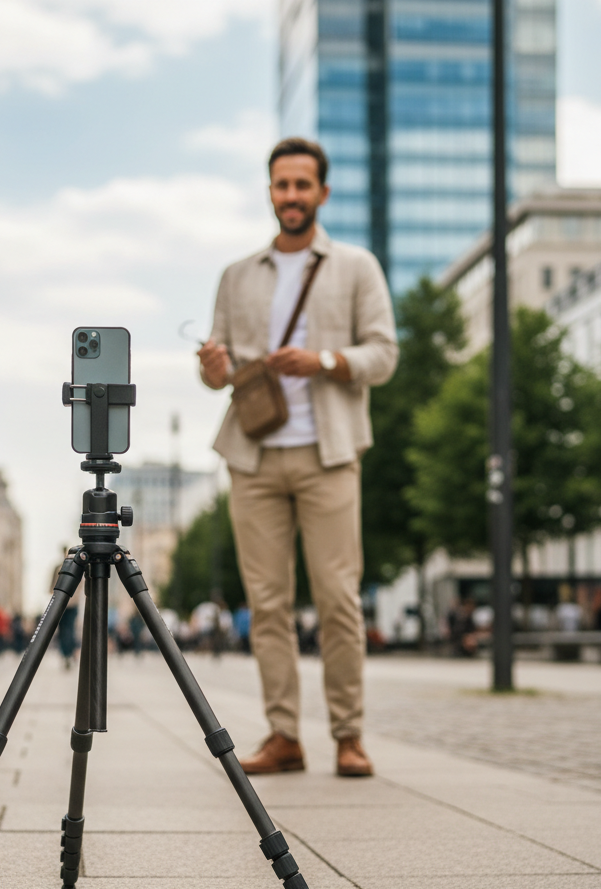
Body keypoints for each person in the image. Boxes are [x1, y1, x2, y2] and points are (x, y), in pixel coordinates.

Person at [197, 137, 397, 778]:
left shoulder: (355, 266)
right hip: (253, 458)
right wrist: (214, 367)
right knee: (268, 604)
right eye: (281, 185)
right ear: (270, 192)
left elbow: (384, 356)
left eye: (302, 185)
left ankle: (348, 735)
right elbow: (219, 377)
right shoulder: (237, 275)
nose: (291, 196)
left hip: (329, 454)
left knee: (339, 598)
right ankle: (284, 735)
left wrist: (326, 361)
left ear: (322, 193)